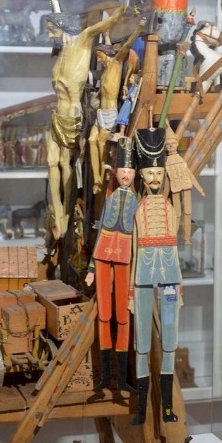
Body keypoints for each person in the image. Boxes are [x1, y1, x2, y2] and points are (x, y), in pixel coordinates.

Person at [46, 1, 125, 239]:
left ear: (62, 27)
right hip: (56, 114)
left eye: (52, 28)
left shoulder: (81, 41)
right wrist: (56, 7)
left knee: (64, 164)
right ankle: (57, 210)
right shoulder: (62, 51)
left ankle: (67, 212)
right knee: (51, 162)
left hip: (71, 116)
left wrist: (119, 8)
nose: (49, 33)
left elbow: (103, 24)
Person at [130, 127, 182, 425]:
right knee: (142, 343)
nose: (154, 179)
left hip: (171, 275)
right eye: (149, 174)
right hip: (143, 276)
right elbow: (136, 250)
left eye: (158, 175)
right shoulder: (138, 210)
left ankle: (166, 407)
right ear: (141, 177)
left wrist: (180, 289)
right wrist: (129, 294)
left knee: (171, 341)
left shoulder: (169, 208)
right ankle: (141, 409)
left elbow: (174, 249)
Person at [85, 138, 138, 394]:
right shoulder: (111, 197)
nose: (126, 176)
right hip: (104, 254)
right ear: (115, 174)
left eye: (129, 172)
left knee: (122, 316)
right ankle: (106, 377)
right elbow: (101, 231)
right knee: (104, 314)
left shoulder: (135, 201)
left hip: (126, 256)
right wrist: (92, 269)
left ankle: (123, 377)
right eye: (122, 172)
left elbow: (138, 238)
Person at [90, 17, 146, 194]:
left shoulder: (116, 63)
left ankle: (99, 179)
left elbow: (127, 45)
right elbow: (108, 46)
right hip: (100, 113)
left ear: (106, 55)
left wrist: (139, 28)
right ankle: (97, 176)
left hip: (110, 115)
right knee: (91, 140)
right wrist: (106, 34)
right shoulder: (107, 69)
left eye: (100, 57)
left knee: (99, 142)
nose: (99, 60)